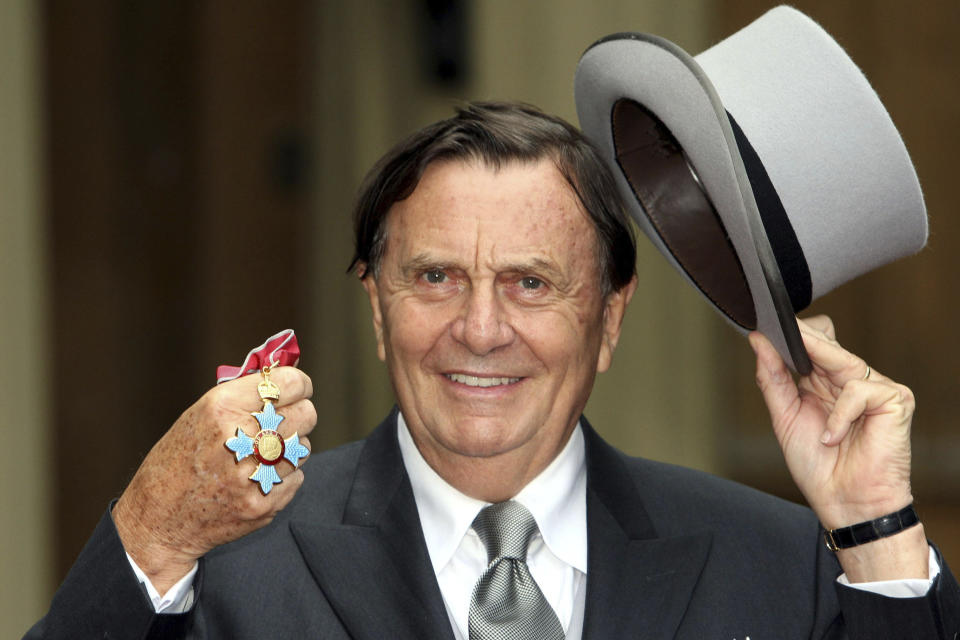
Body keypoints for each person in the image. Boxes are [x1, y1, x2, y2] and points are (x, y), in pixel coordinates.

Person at [28, 102, 959, 639]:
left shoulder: (777, 567)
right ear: (377, 306)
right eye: (435, 277)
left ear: (608, 318)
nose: (480, 329)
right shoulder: (230, 569)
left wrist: (875, 531)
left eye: (530, 282)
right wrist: (149, 534)